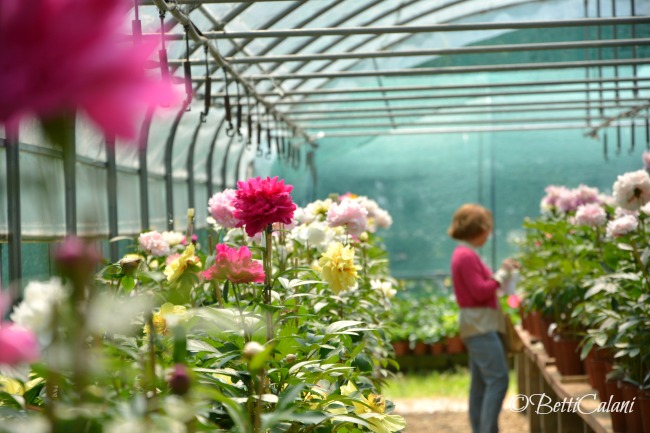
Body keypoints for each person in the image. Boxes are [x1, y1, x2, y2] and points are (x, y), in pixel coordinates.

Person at [447, 203, 517, 433]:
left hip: (475, 326)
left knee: (480, 385)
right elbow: (479, 291)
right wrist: (502, 275)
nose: (489, 233)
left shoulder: (464, 253)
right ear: (478, 229)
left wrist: (499, 276)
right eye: (487, 227)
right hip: (480, 327)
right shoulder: (466, 255)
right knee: (498, 379)